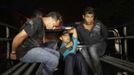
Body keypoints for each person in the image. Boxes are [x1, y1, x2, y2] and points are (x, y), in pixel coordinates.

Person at [76, 7, 108, 75]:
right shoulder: (79, 27)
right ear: (83, 17)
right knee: (82, 50)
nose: (90, 19)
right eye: (87, 17)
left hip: (100, 47)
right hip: (88, 47)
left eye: (91, 17)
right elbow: (81, 39)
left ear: (93, 17)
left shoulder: (98, 23)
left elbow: (105, 35)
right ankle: (95, 72)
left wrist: (99, 40)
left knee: (92, 48)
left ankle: (99, 73)